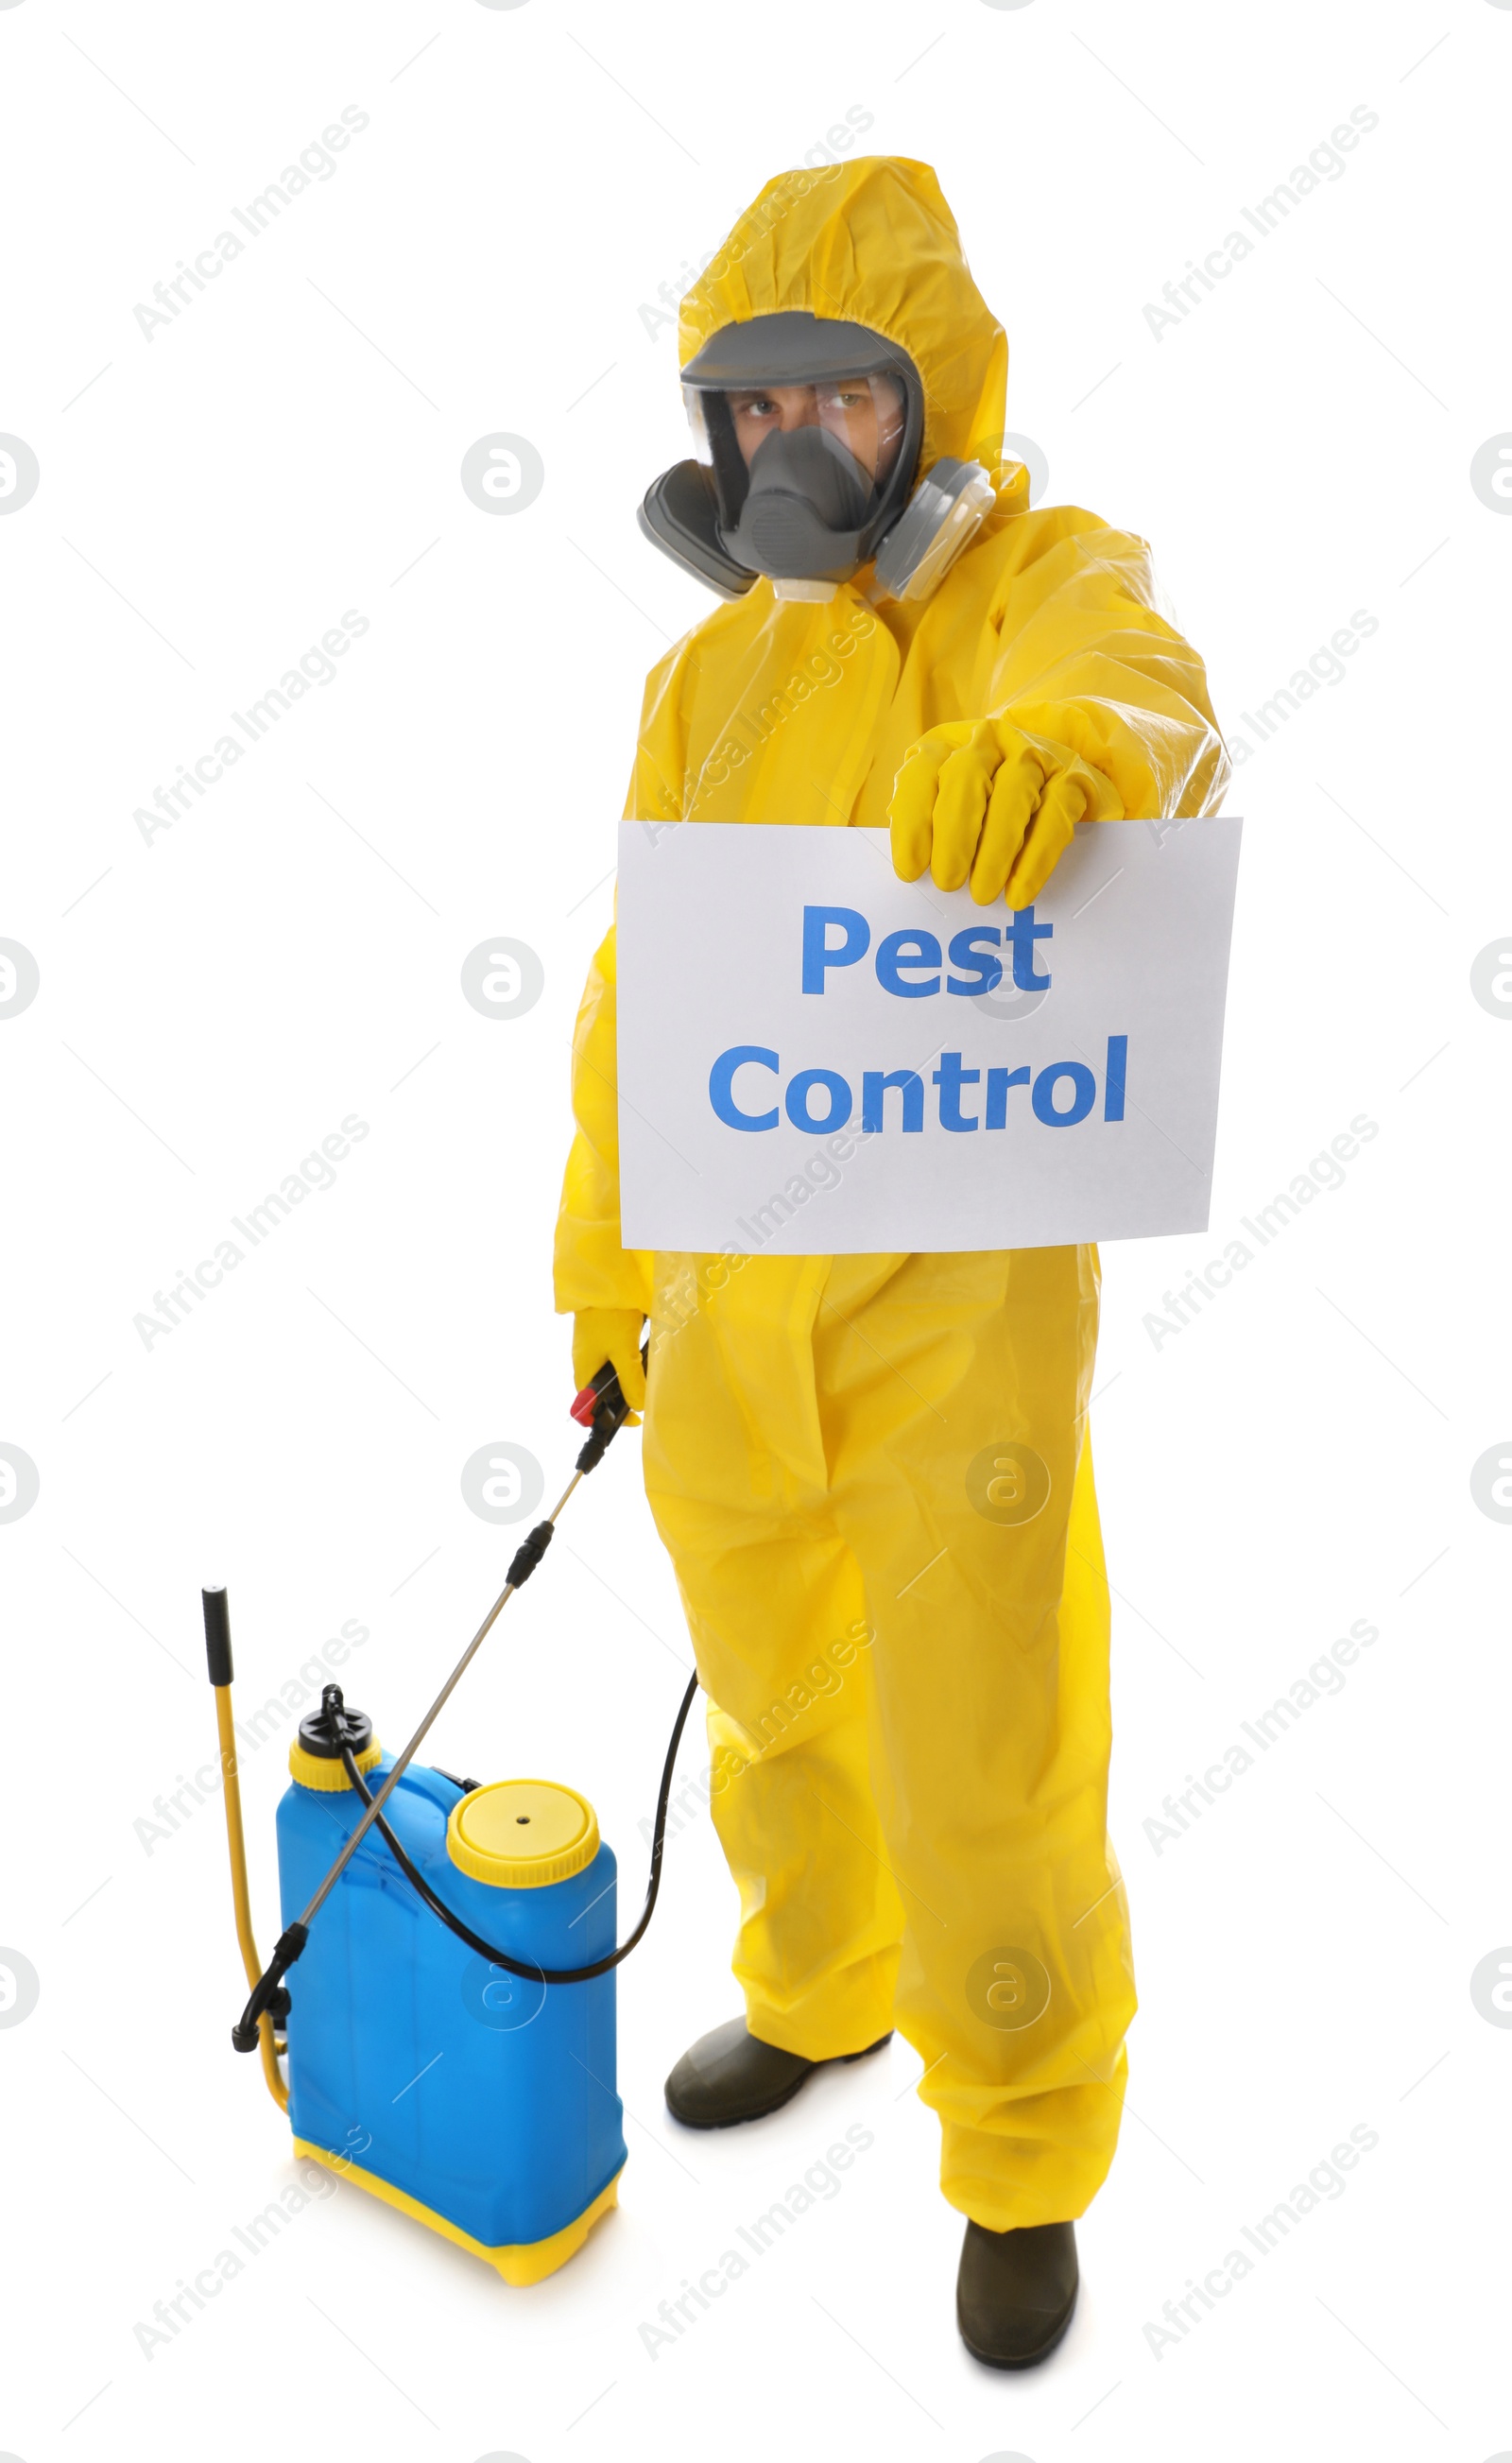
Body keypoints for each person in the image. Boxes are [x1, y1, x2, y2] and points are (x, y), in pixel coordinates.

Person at [555, 156, 1228, 2369]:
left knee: (978, 1739)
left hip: (952, 1309)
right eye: (743, 417)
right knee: (771, 1701)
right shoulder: (700, 680)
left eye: (834, 400)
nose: (784, 458)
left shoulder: (1038, 580)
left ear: (923, 399)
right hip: (728, 1317)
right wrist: (599, 1284)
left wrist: (1061, 757)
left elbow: (1147, 692)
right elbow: (633, 994)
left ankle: (1021, 2141)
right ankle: (815, 1991)